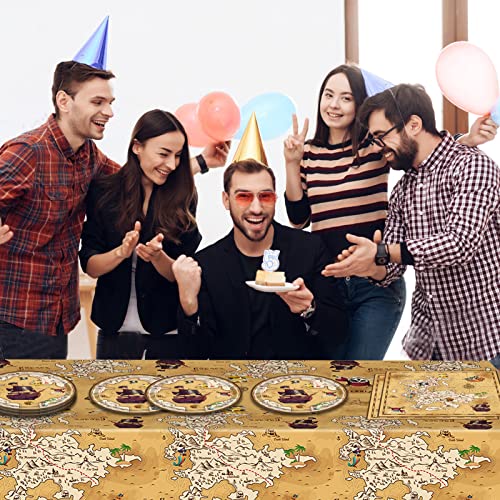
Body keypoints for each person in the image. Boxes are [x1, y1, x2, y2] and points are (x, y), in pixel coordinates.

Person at [0, 61, 228, 360]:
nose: (108, 111)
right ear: (64, 101)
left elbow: (137, 177)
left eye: (110, 102)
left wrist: (200, 163)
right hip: (13, 315)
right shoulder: (28, 152)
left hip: (54, 317)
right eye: (98, 102)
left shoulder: (88, 157)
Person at [283, 64, 497, 360]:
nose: (379, 146)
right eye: (328, 95)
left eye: (346, 97)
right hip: (429, 340)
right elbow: (389, 268)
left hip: (484, 338)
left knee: (360, 371)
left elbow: (458, 243)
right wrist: (369, 263)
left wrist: (381, 252)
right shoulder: (402, 190)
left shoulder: (470, 166)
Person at [172, 155, 348, 360]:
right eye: (243, 197)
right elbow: (195, 356)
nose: (256, 208)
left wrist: (310, 309)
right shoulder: (208, 264)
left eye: (265, 196)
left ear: (275, 199)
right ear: (226, 200)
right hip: (233, 378)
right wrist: (189, 304)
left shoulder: (309, 249)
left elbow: (339, 333)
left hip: (296, 377)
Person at [79, 109, 201, 359]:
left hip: (166, 332)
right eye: (164, 154)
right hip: (113, 331)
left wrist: (157, 257)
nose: (172, 165)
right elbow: (91, 266)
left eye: (178, 156)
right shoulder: (104, 192)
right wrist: (120, 253)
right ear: (137, 147)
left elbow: (180, 273)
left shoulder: (184, 197)